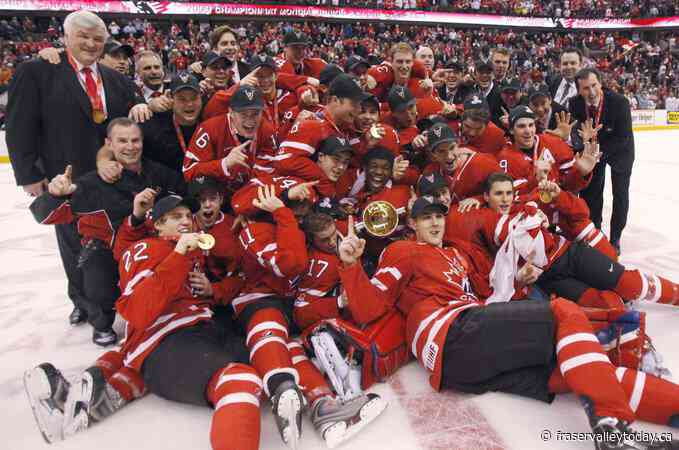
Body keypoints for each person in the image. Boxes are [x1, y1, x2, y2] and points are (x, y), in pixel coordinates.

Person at [336, 196, 679, 450]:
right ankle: (611, 427)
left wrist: (519, 279)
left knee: (579, 373)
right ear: (412, 224)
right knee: (564, 312)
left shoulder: (458, 254)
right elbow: (369, 308)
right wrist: (351, 266)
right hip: (452, 333)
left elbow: (492, 297)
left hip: (463, 367)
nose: (436, 223)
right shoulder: (403, 252)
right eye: (426, 218)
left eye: (439, 216)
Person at [24, 195, 262, 450]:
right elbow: (138, 311)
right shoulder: (147, 249)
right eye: (174, 217)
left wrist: (212, 289)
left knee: (264, 359)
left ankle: (103, 391)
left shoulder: (193, 252)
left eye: (186, 216)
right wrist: (179, 254)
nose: (185, 221)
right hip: (166, 340)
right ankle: (103, 381)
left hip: (200, 332)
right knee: (239, 379)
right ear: (158, 225)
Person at [6, 10, 149, 328]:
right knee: (74, 243)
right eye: (83, 36)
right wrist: (29, 173)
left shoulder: (115, 79)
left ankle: (109, 296)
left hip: (112, 176)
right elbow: (19, 125)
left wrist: (140, 104)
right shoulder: (38, 72)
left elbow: (129, 114)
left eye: (97, 38)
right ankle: (83, 303)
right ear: (66, 38)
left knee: (111, 239)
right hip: (67, 177)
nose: (90, 43)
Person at [28, 117, 184, 345]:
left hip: (150, 251)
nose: (130, 147)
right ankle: (101, 321)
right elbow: (44, 215)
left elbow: (188, 197)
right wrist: (55, 195)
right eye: (122, 141)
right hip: (111, 255)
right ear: (109, 144)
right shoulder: (91, 184)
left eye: (135, 140)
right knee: (93, 259)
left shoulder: (160, 174)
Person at [569, 68, 634, 254]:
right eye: (585, 88)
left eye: (594, 85)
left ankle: (615, 238)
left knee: (620, 194)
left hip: (620, 151)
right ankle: (595, 231)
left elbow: (623, 138)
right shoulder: (574, 104)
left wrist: (597, 153)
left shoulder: (619, 102)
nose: (591, 92)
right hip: (592, 151)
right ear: (578, 90)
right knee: (591, 192)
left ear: (600, 83)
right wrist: (586, 148)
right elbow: (575, 133)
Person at [140, 72, 203, 173]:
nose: (189, 104)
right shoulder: (154, 127)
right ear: (170, 98)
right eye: (182, 99)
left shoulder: (209, 117)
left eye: (194, 98)